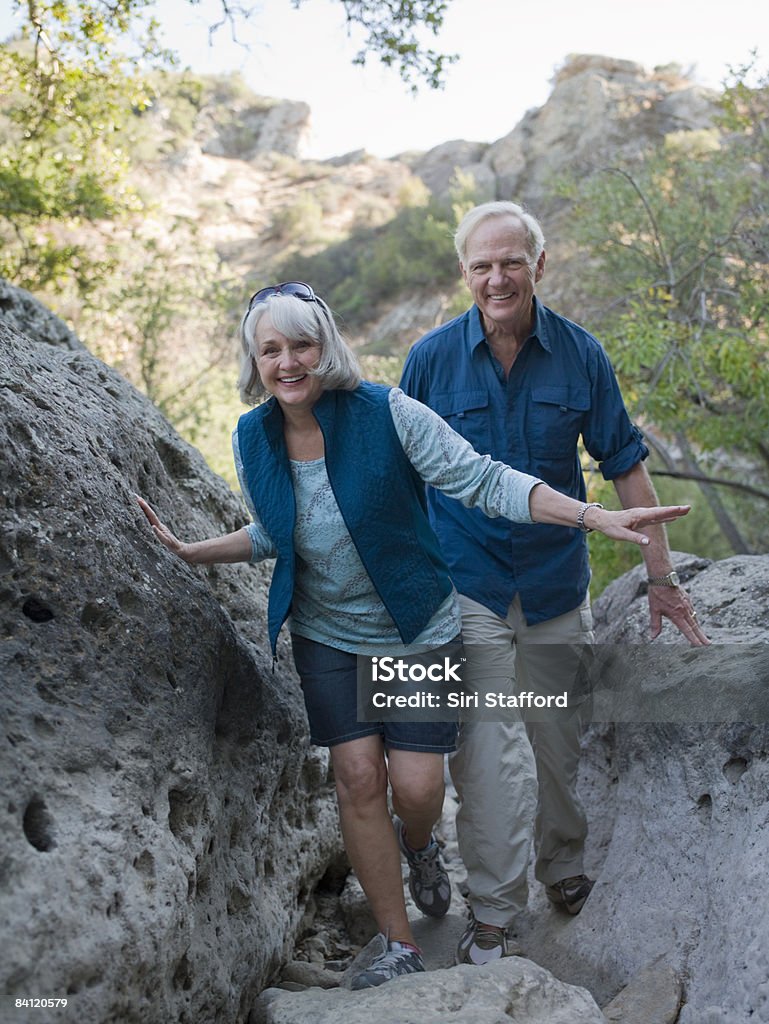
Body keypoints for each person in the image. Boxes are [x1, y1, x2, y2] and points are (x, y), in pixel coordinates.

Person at [137, 281, 691, 989]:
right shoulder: (253, 435)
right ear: (254, 359)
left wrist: (590, 516)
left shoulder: (385, 413)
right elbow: (277, 532)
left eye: (300, 343)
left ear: (325, 346)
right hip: (326, 635)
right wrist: (192, 551)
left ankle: (421, 846)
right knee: (357, 777)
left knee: (418, 786)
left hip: (413, 628)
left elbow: (482, 480)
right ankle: (398, 943)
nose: (287, 361)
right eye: (269, 349)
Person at [400, 201, 710, 966]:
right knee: (486, 749)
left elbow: (625, 464)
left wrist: (661, 579)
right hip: (463, 580)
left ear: (540, 266)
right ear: (463, 273)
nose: (497, 277)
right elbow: (398, 480)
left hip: (551, 579)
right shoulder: (430, 361)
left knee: (555, 740)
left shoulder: (580, 355)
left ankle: (561, 865)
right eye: (482, 265)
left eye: (511, 262)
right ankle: (496, 912)